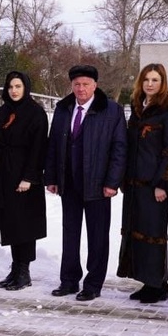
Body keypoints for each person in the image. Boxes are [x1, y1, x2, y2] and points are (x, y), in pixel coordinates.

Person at [44, 65, 127, 302]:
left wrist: (112, 182)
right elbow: (53, 145)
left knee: (97, 235)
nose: (81, 89)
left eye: (86, 84)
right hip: (69, 182)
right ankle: (69, 280)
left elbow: (119, 149)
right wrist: (51, 177)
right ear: (72, 85)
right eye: (77, 84)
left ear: (95, 86)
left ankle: (93, 283)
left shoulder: (111, 111)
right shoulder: (63, 108)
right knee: (70, 234)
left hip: (98, 184)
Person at [117, 64, 168, 304]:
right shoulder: (137, 107)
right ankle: (147, 281)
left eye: (155, 80)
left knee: (153, 233)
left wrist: (161, 183)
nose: (150, 84)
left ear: (162, 81)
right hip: (135, 184)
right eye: (146, 79)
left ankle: (158, 284)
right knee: (138, 231)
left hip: (155, 184)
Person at [0, 71, 48, 291]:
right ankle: (15, 268)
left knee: (25, 224)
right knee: (11, 222)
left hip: (25, 176)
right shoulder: (3, 112)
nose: (14, 90)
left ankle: (24, 271)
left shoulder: (35, 113)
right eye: (11, 86)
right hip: (5, 174)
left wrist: (29, 177)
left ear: (26, 88)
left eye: (18, 86)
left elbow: (39, 148)